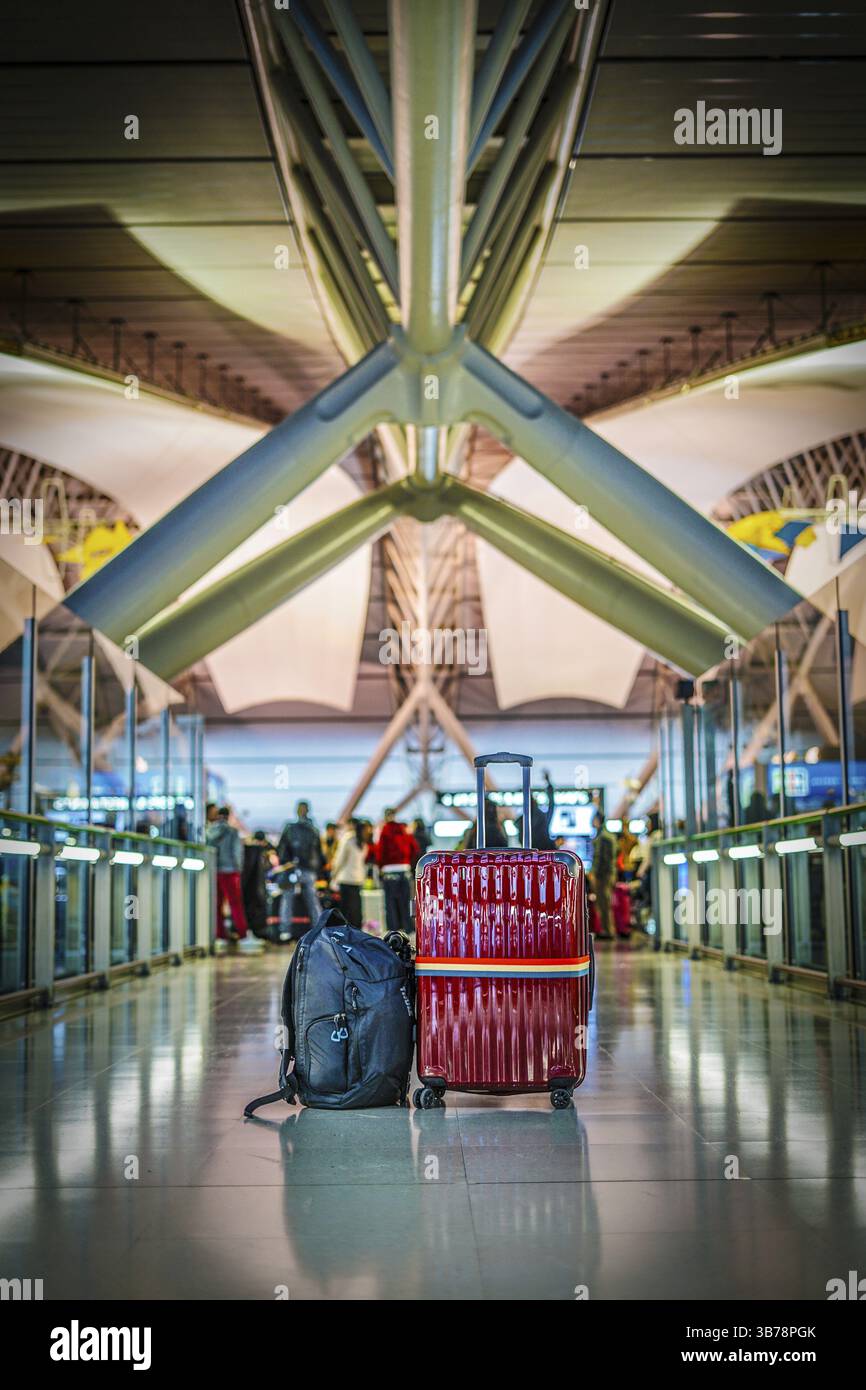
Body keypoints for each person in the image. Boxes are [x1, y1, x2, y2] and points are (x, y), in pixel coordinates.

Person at [276, 800, 323, 936]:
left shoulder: (291, 828)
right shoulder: (312, 829)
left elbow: (282, 847)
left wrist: (285, 862)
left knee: (291, 899)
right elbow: (318, 851)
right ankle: (317, 929)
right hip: (304, 868)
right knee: (310, 900)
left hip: (295, 867)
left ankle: (286, 930)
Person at [372, 808, 418, 936]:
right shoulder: (404, 830)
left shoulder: (384, 830)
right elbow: (415, 848)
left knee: (391, 903)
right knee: (405, 903)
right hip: (404, 869)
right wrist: (407, 861)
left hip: (389, 871)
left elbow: (380, 851)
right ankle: (408, 929)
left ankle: (393, 931)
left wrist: (381, 866)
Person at [206, 803, 248, 940]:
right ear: (228, 816)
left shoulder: (209, 831)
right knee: (235, 903)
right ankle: (242, 932)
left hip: (215, 871)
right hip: (230, 871)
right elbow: (237, 852)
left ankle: (220, 933)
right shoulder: (232, 832)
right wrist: (239, 869)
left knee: (217, 903)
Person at [329, 819, 368, 929]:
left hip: (346, 879)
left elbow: (339, 860)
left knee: (346, 910)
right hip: (358, 879)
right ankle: (357, 932)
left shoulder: (348, 839)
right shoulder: (363, 843)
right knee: (356, 910)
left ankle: (346, 933)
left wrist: (333, 875)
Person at [242, 829, 274, 939]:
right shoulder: (259, 852)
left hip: (249, 891)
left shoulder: (246, 851)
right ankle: (258, 930)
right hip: (258, 892)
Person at [590, 810, 617, 940]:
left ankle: (608, 931)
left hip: (603, 875)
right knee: (605, 902)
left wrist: (594, 873)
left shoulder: (602, 837)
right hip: (608, 873)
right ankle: (607, 929)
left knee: (603, 902)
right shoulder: (608, 835)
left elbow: (599, 858)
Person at [516, 768, 556, 850]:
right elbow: (552, 804)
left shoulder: (522, 820)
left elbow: (520, 839)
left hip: (530, 853)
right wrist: (548, 782)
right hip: (545, 851)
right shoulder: (542, 817)